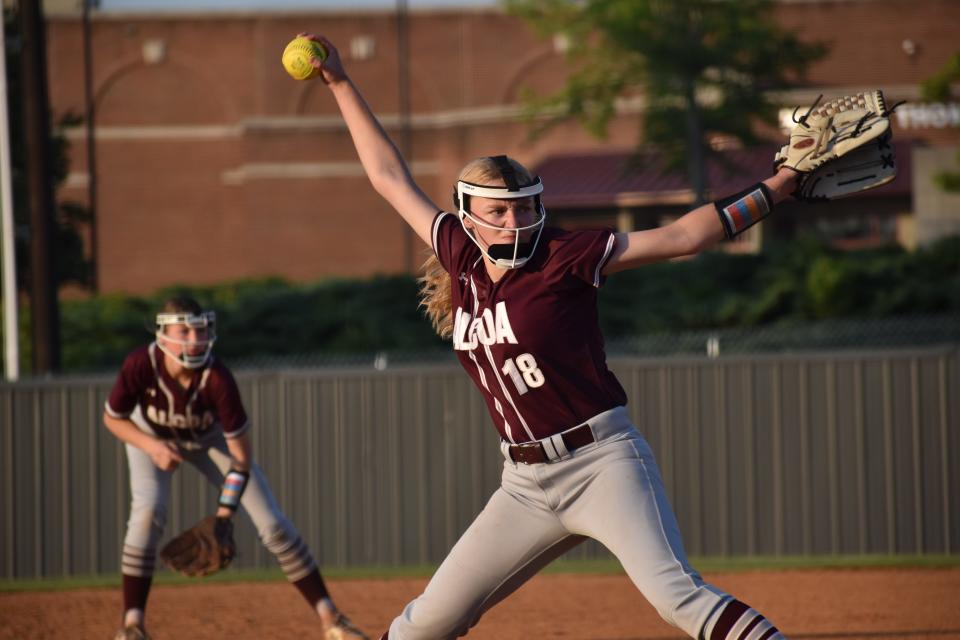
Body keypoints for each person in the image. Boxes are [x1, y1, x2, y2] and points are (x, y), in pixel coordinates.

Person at [306, 33, 797, 640]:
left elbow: (681, 239)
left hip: (602, 462)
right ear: (468, 215)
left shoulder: (565, 254)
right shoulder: (458, 255)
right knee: (425, 623)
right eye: (500, 211)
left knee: (679, 597)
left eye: (524, 206)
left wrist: (780, 186)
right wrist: (338, 82)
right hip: (523, 484)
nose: (518, 219)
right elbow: (386, 176)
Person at [103, 295, 367, 640]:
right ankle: (132, 625)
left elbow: (240, 459)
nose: (195, 340)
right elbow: (113, 419)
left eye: (200, 332)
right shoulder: (141, 363)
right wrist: (152, 446)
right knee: (147, 510)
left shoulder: (217, 377)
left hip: (208, 438)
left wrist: (224, 515)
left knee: (273, 524)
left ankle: (331, 619)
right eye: (185, 332)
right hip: (150, 436)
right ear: (162, 335)